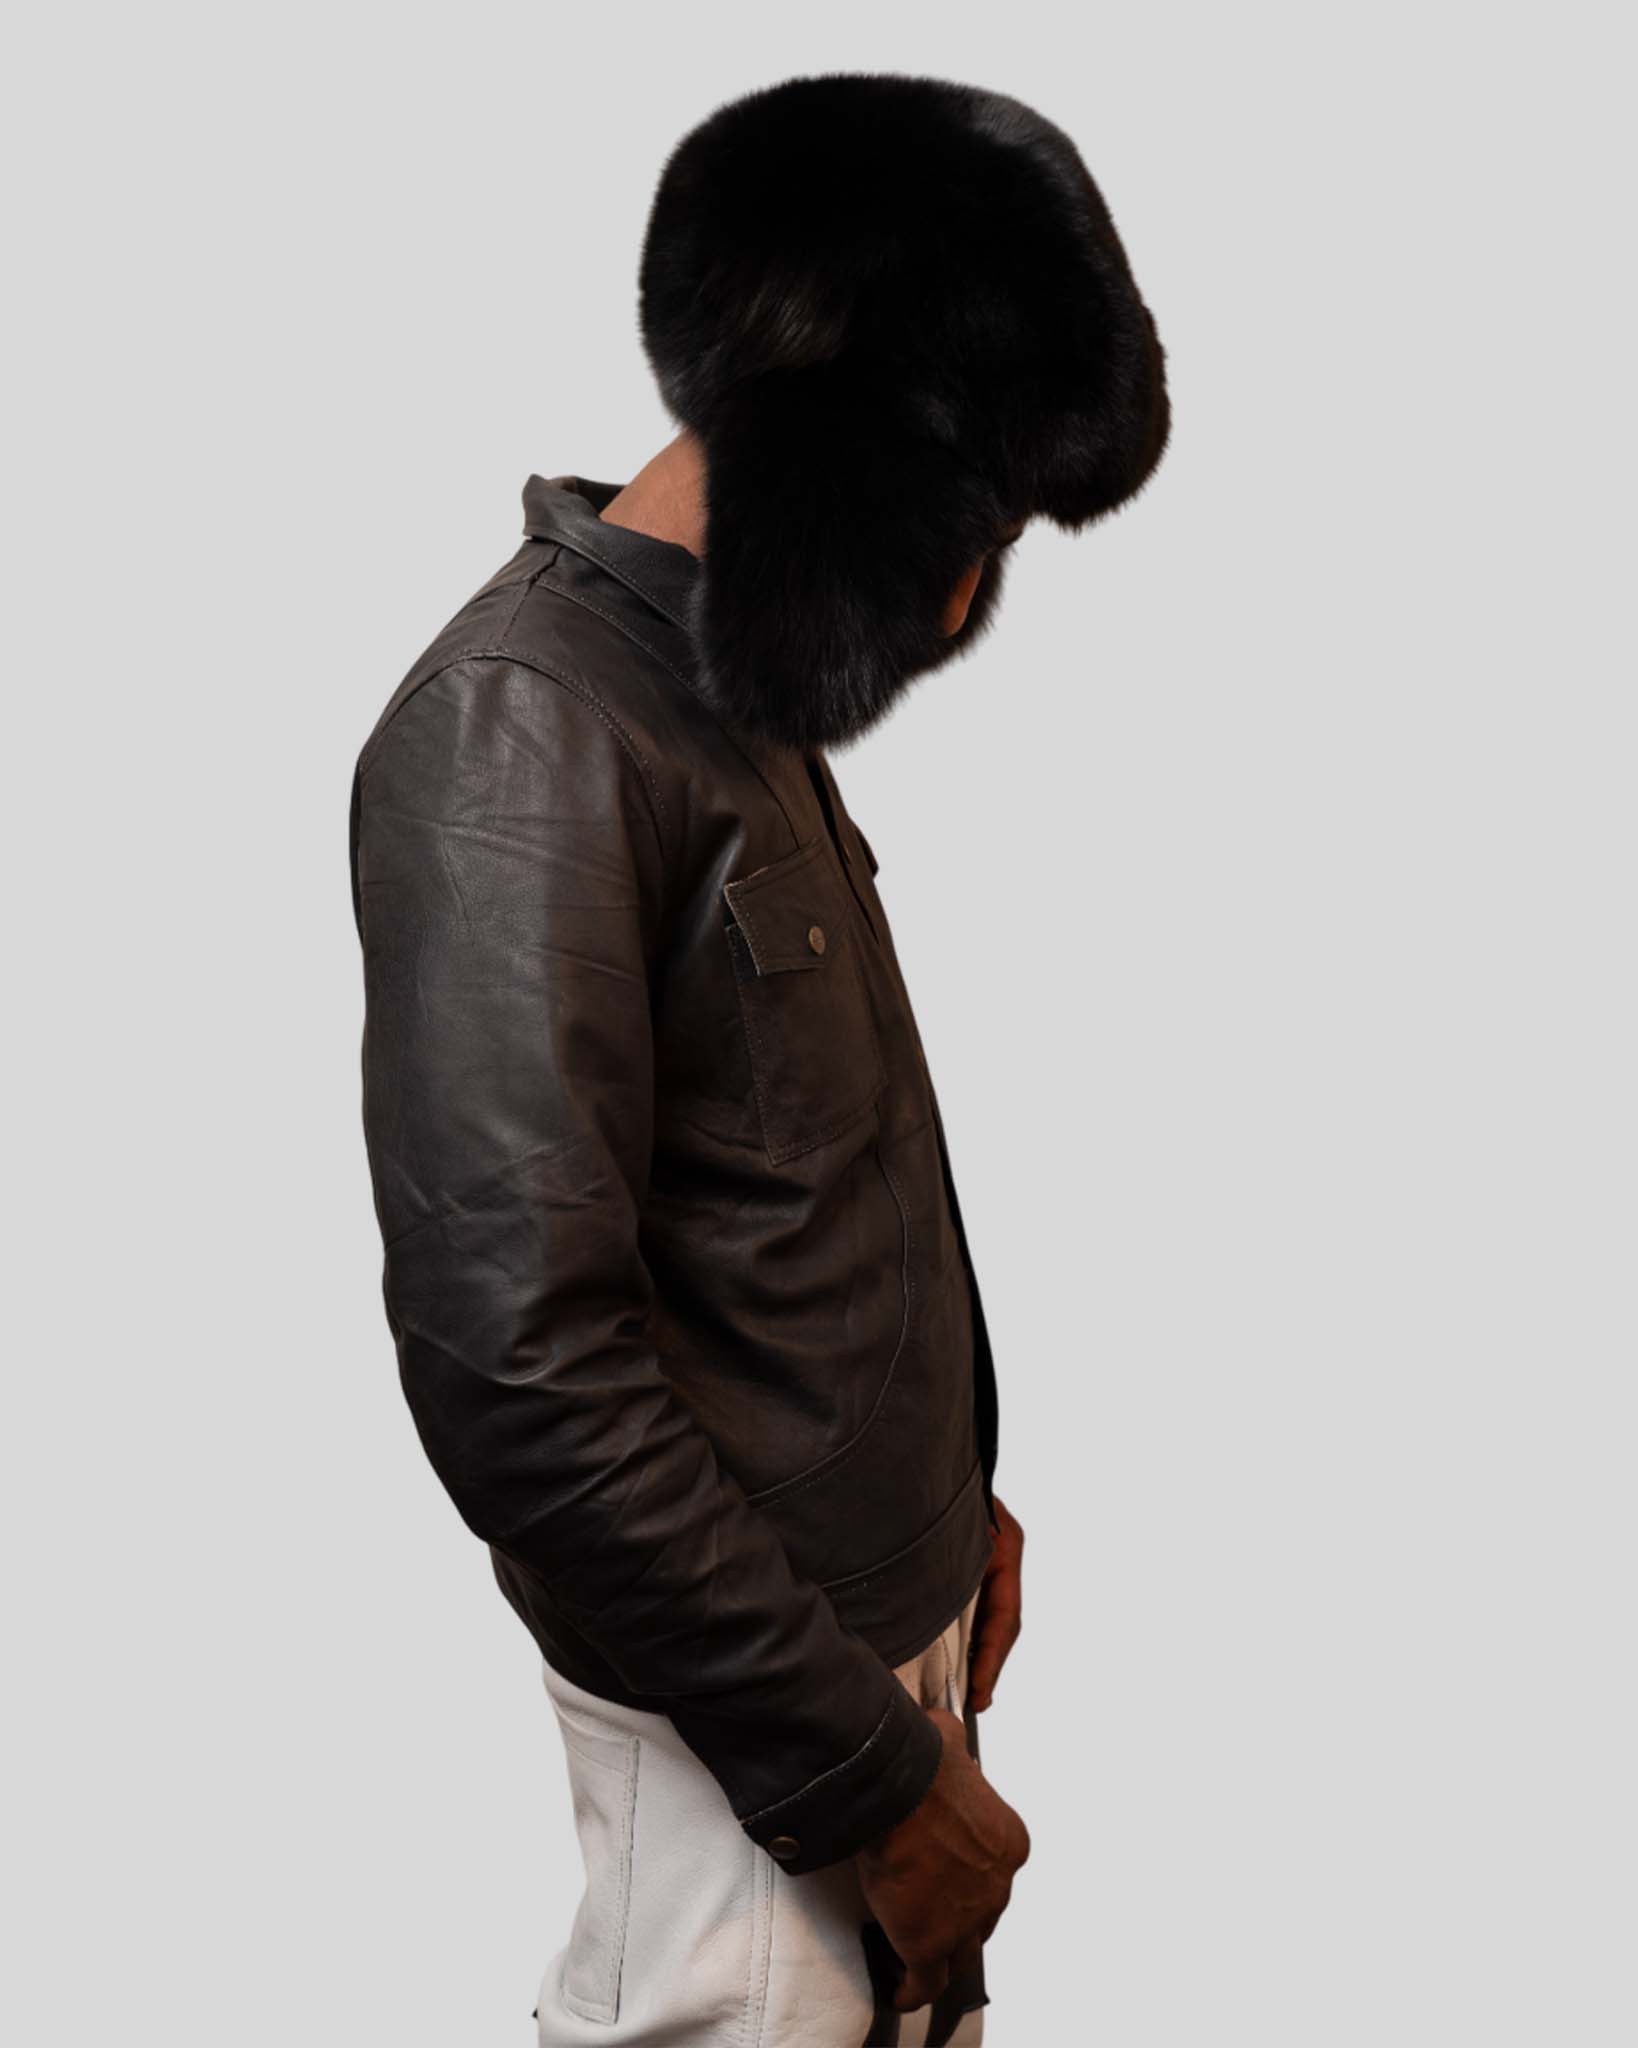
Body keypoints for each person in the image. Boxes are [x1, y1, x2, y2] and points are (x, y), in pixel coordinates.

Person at [351, 71, 1168, 2047]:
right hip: (759, 1741)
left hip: (866, 1661)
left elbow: (809, 1156)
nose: (966, 597)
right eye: (971, 524)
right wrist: (858, 1775)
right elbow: (519, 1373)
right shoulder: (524, 735)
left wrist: (948, 1498)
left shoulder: (716, 694)